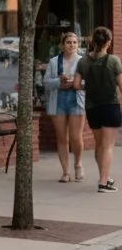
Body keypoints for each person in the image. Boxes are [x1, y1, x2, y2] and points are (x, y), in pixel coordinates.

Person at [73, 26, 122, 193]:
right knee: (108, 146)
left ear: (93, 41)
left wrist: (89, 86)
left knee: (99, 145)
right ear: (108, 42)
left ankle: (105, 176)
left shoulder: (83, 61)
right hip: (110, 106)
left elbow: (76, 85)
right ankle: (102, 183)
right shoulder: (114, 61)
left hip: (92, 107)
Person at [43, 32, 85, 183]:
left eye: (74, 42)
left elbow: (89, 82)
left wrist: (75, 82)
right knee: (62, 138)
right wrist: (58, 82)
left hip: (76, 100)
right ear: (62, 45)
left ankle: (78, 163)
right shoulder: (54, 62)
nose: (72, 45)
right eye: (69, 42)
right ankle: (65, 172)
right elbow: (46, 82)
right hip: (58, 101)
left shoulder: (82, 61)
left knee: (75, 137)